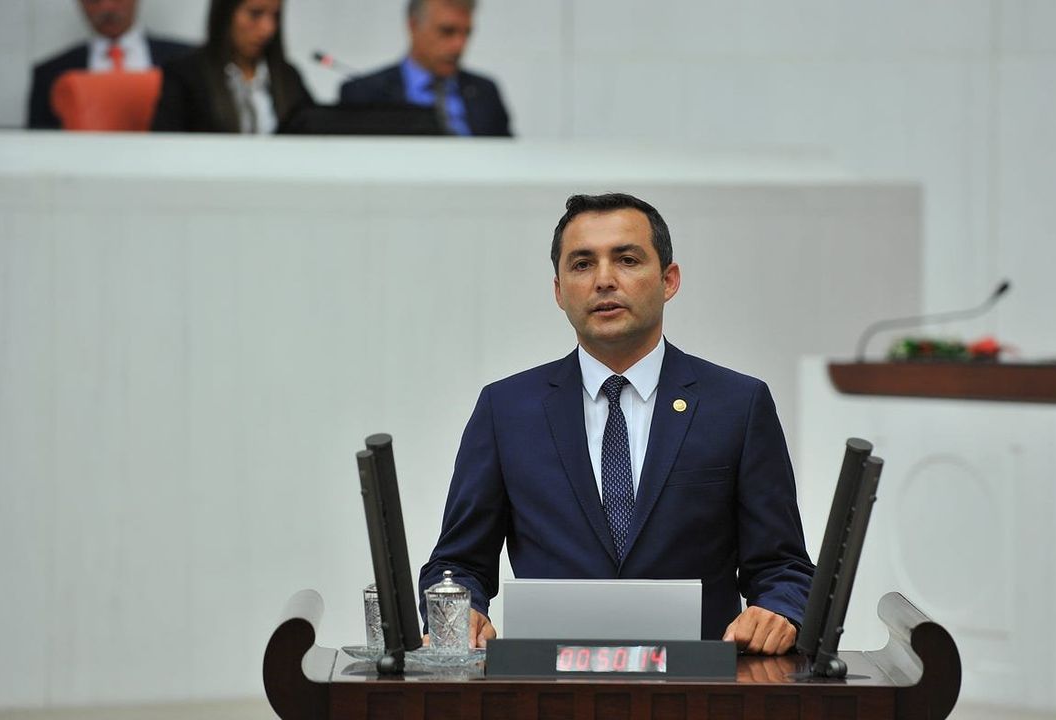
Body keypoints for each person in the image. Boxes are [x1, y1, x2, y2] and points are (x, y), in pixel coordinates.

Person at [419, 193, 813, 656]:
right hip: (549, 682)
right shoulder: (506, 409)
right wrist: (459, 613)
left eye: (627, 260)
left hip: (699, 683)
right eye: (582, 264)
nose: (604, 280)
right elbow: (458, 564)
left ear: (669, 280)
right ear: (559, 291)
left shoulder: (737, 405)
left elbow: (783, 567)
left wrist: (778, 610)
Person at [339, 0, 511, 137]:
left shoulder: (485, 92)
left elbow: (507, 157)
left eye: (466, 33)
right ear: (413, 26)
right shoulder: (365, 94)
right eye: (447, 31)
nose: (459, 45)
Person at [150, 0, 312, 133]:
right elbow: (165, 145)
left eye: (275, 16)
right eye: (255, 14)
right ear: (225, 13)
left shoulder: (288, 76)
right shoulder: (185, 74)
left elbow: (311, 126)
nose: (267, 29)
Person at [28, 0, 192, 129]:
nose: (107, 7)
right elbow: (39, 145)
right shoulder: (51, 74)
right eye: (94, 0)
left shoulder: (189, 62)